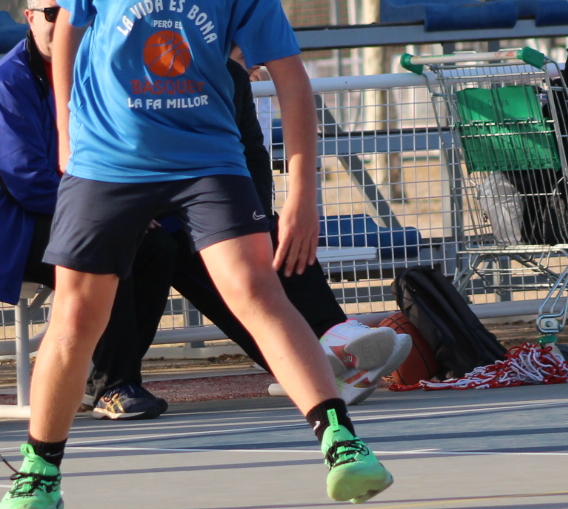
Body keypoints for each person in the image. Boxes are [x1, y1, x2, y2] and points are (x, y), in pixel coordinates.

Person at [0, 0, 393, 509]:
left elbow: (292, 81)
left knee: (256, 291)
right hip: (109, 161)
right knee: (78, 315)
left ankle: (341, 442)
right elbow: (68, 37)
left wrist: (301, 191)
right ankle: (39, 469)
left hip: (206, 159)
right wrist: (65, 127)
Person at [98, 50, 413, 404]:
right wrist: (136, 206)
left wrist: (257, 218)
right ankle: (314, 367)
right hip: (163, 216)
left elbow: (252, 153)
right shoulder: (141, 75)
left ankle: (336, 339)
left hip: (208, 210)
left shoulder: (231, 79)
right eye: (243, 50)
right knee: (224, 276)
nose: (255, 60)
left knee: (276, 234)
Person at [0, 0, 171, 420]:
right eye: (54, 13)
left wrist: (129, 205)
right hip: (3, 229)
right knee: (107, 241)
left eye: (77, 11)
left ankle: (107, 377)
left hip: (66, 213)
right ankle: (113, 386)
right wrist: (110, 212)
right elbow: (28, 181)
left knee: (160, 245)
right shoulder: (5, 84)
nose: (66, 21)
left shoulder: (94, 72)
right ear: (30, 17)